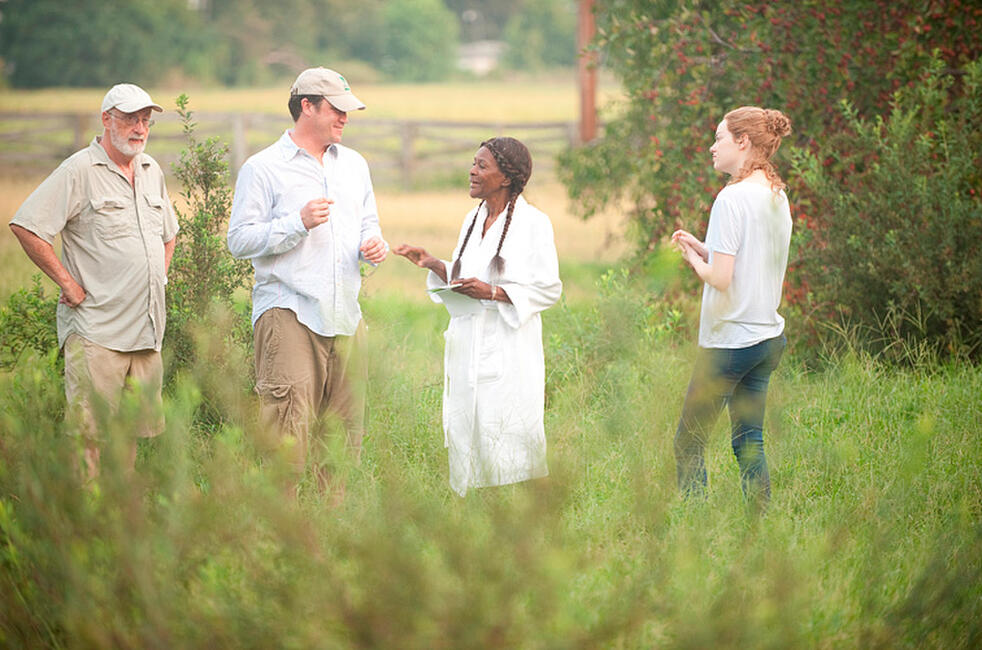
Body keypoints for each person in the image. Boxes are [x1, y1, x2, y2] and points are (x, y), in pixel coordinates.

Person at [227, 67, 387, 494]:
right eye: (337, 109)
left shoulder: (354, 165)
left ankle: (330, 531)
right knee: (286, 443)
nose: (345, 119)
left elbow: (368, 224)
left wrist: (373, 245)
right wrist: (296, 223)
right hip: (289, 313)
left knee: (341, 445)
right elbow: (238, 240)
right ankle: (280, 531)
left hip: (346, 317)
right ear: (307, 107)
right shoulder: (263, 168)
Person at [8, 83, 178, 480]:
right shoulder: (79, 170)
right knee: (88, 434)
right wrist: (68, 284)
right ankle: (87, 508)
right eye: (131, 119)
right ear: (107, 119)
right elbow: (27, 226)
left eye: (145, 120)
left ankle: (119, 508)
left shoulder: (151, 170)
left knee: (131, 432)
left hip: (146, 331)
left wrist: (159, 276)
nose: (140, 128)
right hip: (97, 331)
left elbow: (169, 235)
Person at [393, 137, 562, 497]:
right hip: (467, 344)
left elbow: (549, 289)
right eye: (473, 163)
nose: (472, 171)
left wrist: (494, 293)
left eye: (482, 166)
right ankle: (474, 514)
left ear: (506, 177)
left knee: (509, 442)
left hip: (508, 351)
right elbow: (466, 276)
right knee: (469, 437)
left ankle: (520, 513)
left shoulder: (534, 223)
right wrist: (434, 264)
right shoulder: (473, 219)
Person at [671, 106, 793, 507]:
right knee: (748, 440)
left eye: (719, 137)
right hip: (766, 339)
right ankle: (760, 524)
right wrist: (704, 248)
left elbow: (721, 278)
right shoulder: (776, 195)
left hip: (730, 343)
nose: (712, 146)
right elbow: (747, 263)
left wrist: (693, 260)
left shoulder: (730, 199)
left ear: (742, 142)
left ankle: (694, 529)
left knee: (688, 442)